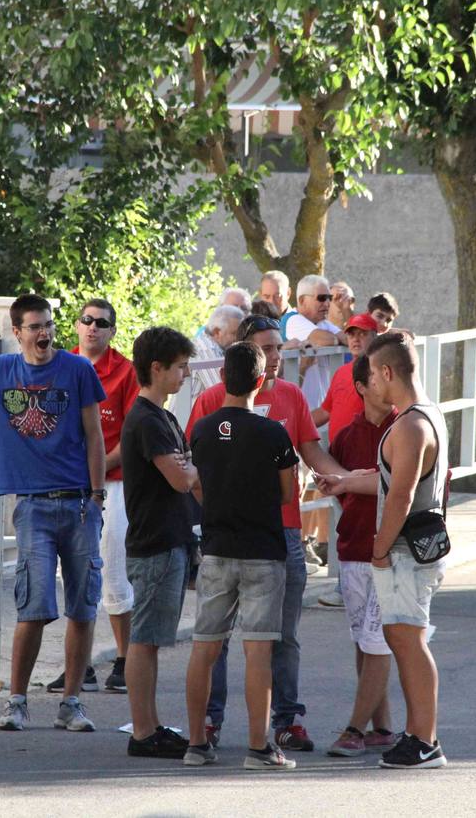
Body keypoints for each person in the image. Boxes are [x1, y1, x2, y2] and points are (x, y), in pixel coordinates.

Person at [188, 314, 347, 753]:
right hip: (242, 542)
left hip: (283, 537)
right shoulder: (210, 404)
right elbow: (194, 467)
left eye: (279, 347)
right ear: (249, 356)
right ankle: (212, 724)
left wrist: (346, 480)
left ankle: (286, 720)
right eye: (268, 348)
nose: (278, 356)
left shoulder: (293, 397)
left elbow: (311, 450)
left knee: (281, 636)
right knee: (219, 642)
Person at [0, 294, 106, 734]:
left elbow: (95, 434)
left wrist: (97, 497)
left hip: (80, 502)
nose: (44, 333)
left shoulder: (77, 369)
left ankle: (72, 702)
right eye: (35, 327)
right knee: (34, 604)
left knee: (84, 606)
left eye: (48, 325)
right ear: (17, 331)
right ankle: (17, 701)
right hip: (33, 507)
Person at [316, 331, 450, 767]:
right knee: (402, 637)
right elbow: (389, 479)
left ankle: (424, 739)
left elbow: (400, 495)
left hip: (406, 551)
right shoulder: (425, 415)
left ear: (388, 372)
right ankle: (417, 734)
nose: (369, 381)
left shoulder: (410, 424)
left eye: (372, 372)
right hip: (412, 546)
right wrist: (347, 479)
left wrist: (379, 548)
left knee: (408, 640)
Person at [184, 341, 299, 770]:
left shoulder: (201, 428)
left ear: (222, 379)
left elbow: (195, 481)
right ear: (258, 379)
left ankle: (196, 744)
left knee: (204, 647)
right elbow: (289, 493)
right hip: (263, 552)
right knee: (258, 651)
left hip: (215, 549)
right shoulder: (273, 432)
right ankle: (258, 747)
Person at [51, 298, 139, 695]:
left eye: (101, 323)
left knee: (114, 576)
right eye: (86, 321)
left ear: (112, 331)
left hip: (114, 484)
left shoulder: (125, 372)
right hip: (68, 486)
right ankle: (79, 666)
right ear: (76, 325)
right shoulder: (59, 364)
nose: (92, 328)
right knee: (73, 575)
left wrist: (95, 472)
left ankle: (125, 660)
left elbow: (132, 435)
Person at [121, 327, 198, 759]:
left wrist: (189, 468)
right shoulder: (149, 420)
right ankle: (143, 731)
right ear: (157, 368)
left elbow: (186, 471)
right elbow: (181, 477)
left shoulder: (162, 417)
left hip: (166, 541)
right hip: (155, 543)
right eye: (180, 366)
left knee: (149, 639)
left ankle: (148, 726)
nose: (186, 373)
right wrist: (190, 469)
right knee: (145, 640)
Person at [321, 353, 398, 757]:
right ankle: (382, 727)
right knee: (363, 642)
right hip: (352, 550)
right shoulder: (347, 438)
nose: (386, 382)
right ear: (361, 388)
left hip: (392, 554)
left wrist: (350, 482)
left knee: (377, 641)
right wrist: (337, 484)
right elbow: (337, 488)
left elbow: (399, 486)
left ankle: (354, 729)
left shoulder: (408, 429)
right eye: (376, 377)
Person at [282, 274, 342, 410]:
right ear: (302, 300)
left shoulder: (322, 323)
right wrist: (334, 339)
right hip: (298, 407)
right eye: (321, 298)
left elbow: (347, 337)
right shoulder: (292, 320)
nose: (327, 303)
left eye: (329, 298)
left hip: (319, 408)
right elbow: (328, 339)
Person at [312, 312, 379, 430]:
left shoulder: (381, 372)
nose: (356, 339)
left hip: (367, 446)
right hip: (337, 447)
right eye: (351, 334)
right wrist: (295, 424)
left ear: (374, 337)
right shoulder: (341, 371)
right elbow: (325, 411)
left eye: (362, 334)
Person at [190, 304, 244, 398]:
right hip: (186, 412)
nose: (240, 339)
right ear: (217, 332)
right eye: (234, 333)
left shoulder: (212, 345)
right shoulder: (205, 349)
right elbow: (228, 390)